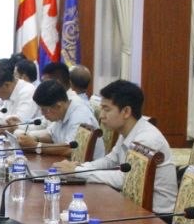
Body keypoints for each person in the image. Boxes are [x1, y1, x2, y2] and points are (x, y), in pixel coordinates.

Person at [57, 79, 177, 215]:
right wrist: (79, 167)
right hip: (133, 204)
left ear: (126, 111)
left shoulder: (146, 139)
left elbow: (125, 179)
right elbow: (110, 160)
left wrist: (78, 171)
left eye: (106, 109)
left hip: (156, 216)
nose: (101, 116)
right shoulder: (127, 131)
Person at [14, 80, 104, 160]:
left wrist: (36, 146)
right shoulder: (63, 110)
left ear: (58, 106)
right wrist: (33, 138)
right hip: (68, 162)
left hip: (87, 167)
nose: (42, 114)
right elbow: (52, 135)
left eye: (44, 110)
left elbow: (70, 149)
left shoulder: (80, 117)